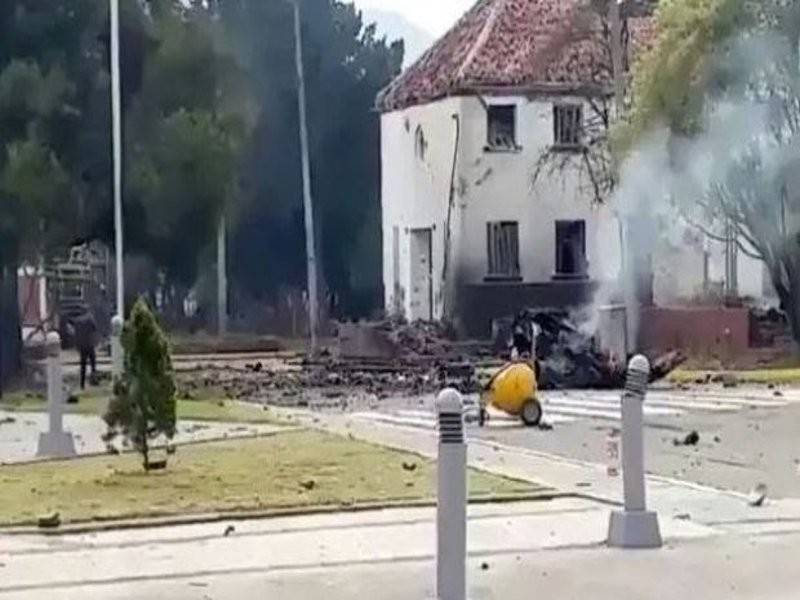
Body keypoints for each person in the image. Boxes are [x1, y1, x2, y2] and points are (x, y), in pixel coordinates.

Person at [71, 310, 97, 389]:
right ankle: (93, 378)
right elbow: (94, 328)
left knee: (83, 364)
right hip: (89, 344)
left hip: (82, 345)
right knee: (93, 362)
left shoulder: (77, 321)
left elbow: (75, 333)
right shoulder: (90, 318)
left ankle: (82, 384)